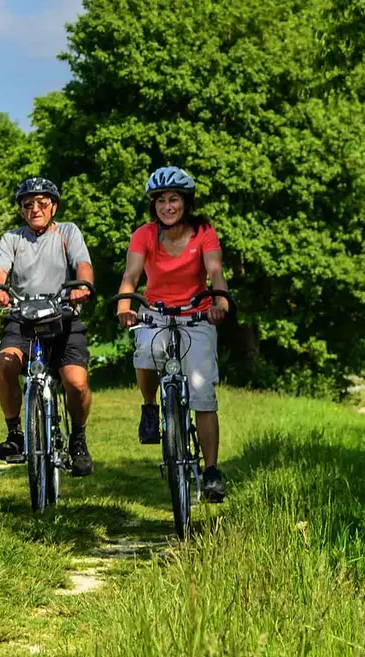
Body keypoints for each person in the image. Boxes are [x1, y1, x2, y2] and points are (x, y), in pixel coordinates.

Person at [113, 166, 232, 502]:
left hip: (196, 313)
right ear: (154, 205)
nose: (168, 206)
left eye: (174, 199)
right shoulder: (144, 235)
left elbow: (215, 271)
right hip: (156, 312)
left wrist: (219, 301)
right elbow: (131, 274)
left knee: (202, 391)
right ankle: (150, 406)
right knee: (146, 354)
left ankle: (211, 471)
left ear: (186, 203)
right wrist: (125, 304)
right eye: (161, 200)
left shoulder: (204, 232)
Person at [0, 177, 97, 475]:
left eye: (42, 203)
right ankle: (15, 433)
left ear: (53, 207)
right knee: (6, 365)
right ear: (22, 211)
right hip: (22, 317)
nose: (35, 208)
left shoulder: (68, 232)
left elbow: (83, 264)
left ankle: (78, 439)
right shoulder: (12, 239)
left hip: (63, 316)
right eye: (28, 205)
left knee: (76, 382)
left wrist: (82, 286)